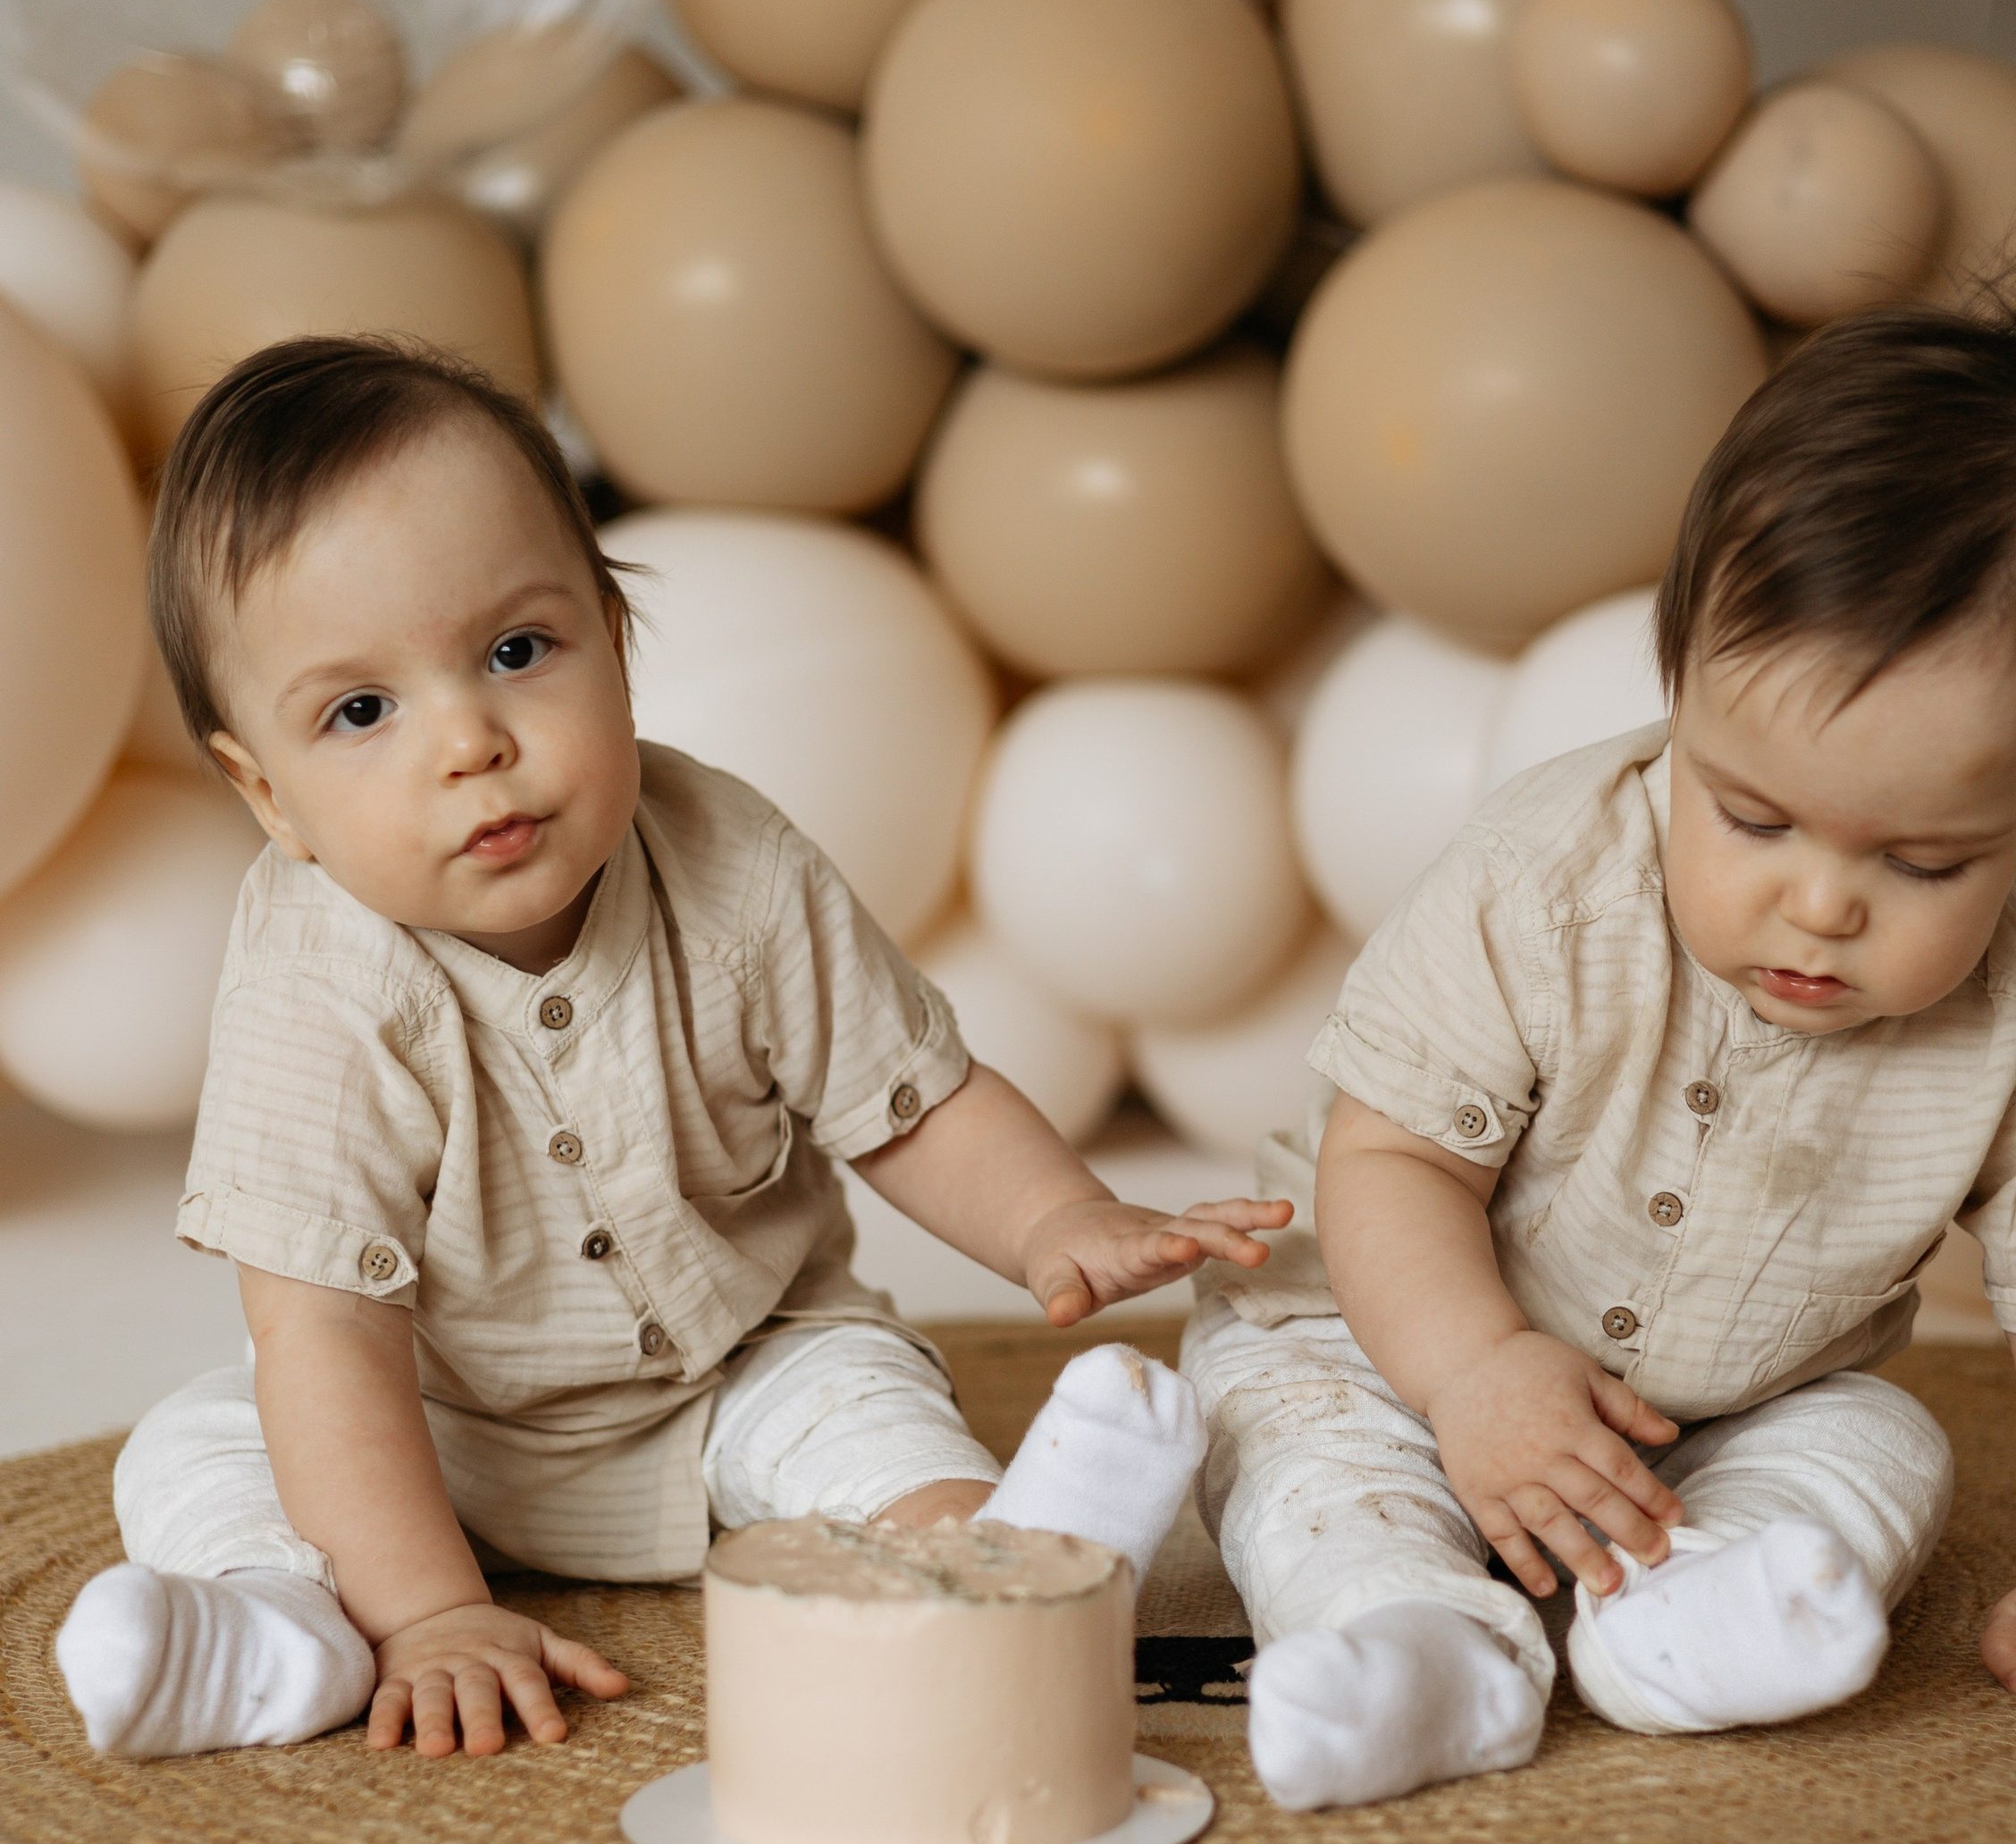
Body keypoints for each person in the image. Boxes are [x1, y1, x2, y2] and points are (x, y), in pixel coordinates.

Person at [58, 335, 1285, 1763]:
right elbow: (325, 1332)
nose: (470, 741)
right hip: (434, 1433)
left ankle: (1000, 1566)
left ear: (617, 645)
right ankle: (280, 1628)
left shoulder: (733, 862)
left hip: (744, 1374)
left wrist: (1058, 1217)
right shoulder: (314, 976)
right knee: (202, 1445)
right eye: (363, 711)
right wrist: (431, 1612)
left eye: (519, 651)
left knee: (869, 1405)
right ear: (270, 796)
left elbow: (910, 1101)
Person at [1187, 303, 2016, 1814]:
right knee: (1303, 1453)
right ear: (1678, 680)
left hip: (1727, 1411)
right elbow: (1395, 1158)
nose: (1819, 904)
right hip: (1385, 1342)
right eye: (1752, 818)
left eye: (1929, 862)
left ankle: (1686, 1625)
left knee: (1880, 1437)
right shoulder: (1545, 878)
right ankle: (1415, 1641)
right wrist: (1477, 1374)